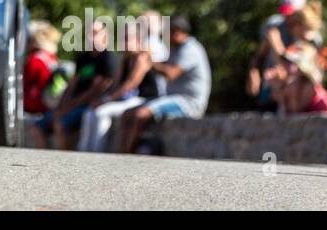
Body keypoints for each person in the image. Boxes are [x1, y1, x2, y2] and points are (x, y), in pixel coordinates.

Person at [118, 16, 211, 154]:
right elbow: (161, 68)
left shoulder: (190, 49)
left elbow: (171, 74)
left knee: (141, 114)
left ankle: (127, 155)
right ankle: (120, 152)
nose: (165, 36)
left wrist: (149, 61)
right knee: (127, 114)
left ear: (178, 31)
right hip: (173, 98)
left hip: (188, 102)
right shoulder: (175, 49)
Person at [34, 19, 118, 150]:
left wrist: (69, 107)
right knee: (37, 127)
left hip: (87, 105)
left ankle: (65, 164)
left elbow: (97, 88)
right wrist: (61, 106)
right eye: (89, 33)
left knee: (59, 125)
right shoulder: (83, 57)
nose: (91, 36)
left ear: (105, 35)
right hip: (72, 104)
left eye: (95, 32)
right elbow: (72, 85)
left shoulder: (108, 57)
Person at [78, 17, 159, 152]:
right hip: (129, 99)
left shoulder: (142, 57)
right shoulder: (126, 58)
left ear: (138, 39)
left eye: (128, 38)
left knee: (102, 113)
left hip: (144, 99)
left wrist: (106, 100)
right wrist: (102, 99)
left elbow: (131, 84)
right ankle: (84, 150)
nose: (124, 42)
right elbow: (116, 84)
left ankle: (96, 153)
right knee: (89, 112)